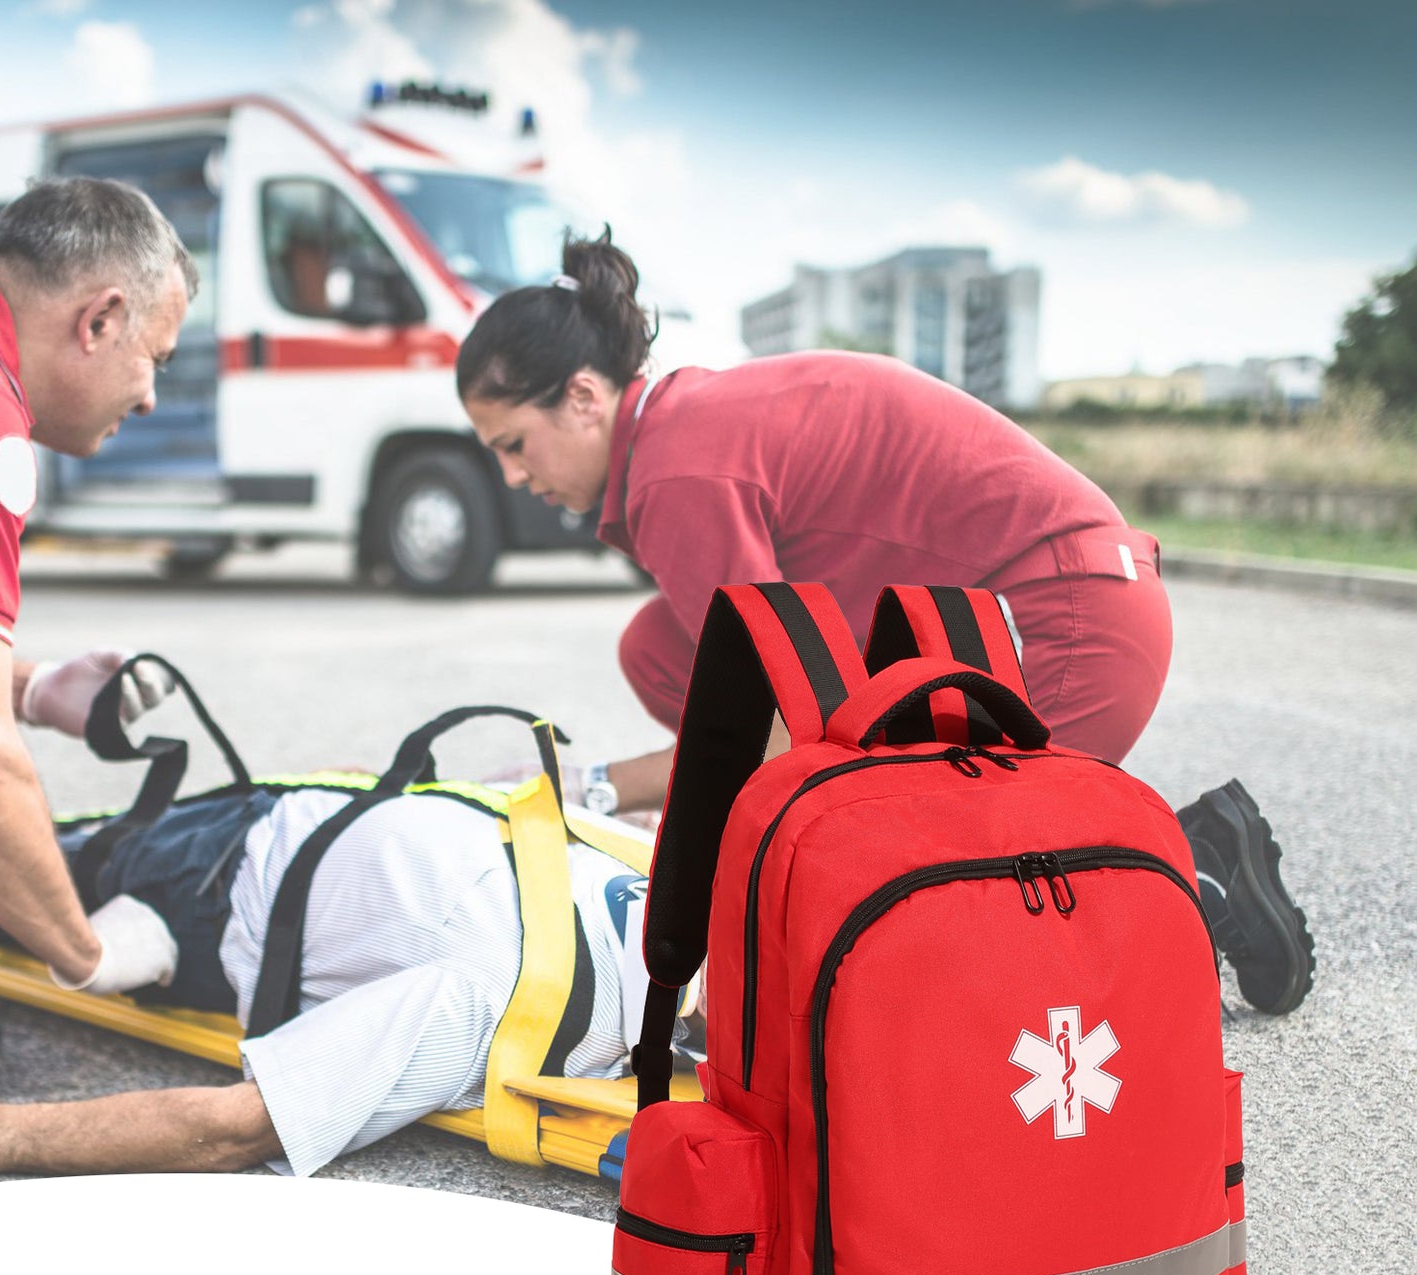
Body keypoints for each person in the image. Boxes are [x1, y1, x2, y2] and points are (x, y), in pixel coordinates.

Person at [455, 229, 1315, 1016]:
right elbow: (765, 704)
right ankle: (1073, 850)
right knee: (660, 649)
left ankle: (1190, 872)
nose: (511, 477)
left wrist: (595, 789)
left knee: (924, 930)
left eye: (512, 445)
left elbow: (771, 727)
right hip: (1054, 604)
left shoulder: (676, 472)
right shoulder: (680, 431)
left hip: (1067, 625)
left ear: (579, 398)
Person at [0, 784, 679, 1177]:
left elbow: (234, 1127)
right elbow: (233, 1129)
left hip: (244, 848)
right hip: (200, 877)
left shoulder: (652, 868)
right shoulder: (501, 999)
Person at [0, 177, 193, 1061]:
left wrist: (28, 691)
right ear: (99, 320)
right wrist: (85, 950)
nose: (147, 402)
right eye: (157, 358)